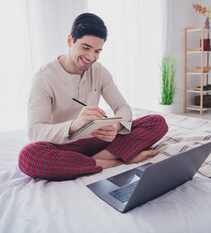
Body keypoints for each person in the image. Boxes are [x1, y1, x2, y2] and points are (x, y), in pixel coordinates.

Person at [18, 13, 168, 180]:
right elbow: (34, 131)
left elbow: (122, 108)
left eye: (97, 51)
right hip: (63, 146)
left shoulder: (99, 71)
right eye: (85, 47)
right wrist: (74, 125)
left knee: (157, 122)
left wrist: (116, 127)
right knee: (28, 157)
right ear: (70, 41)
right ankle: (117, 161)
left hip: (97, 140)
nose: (91, 57)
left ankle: (93, 161)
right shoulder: (44, 77)